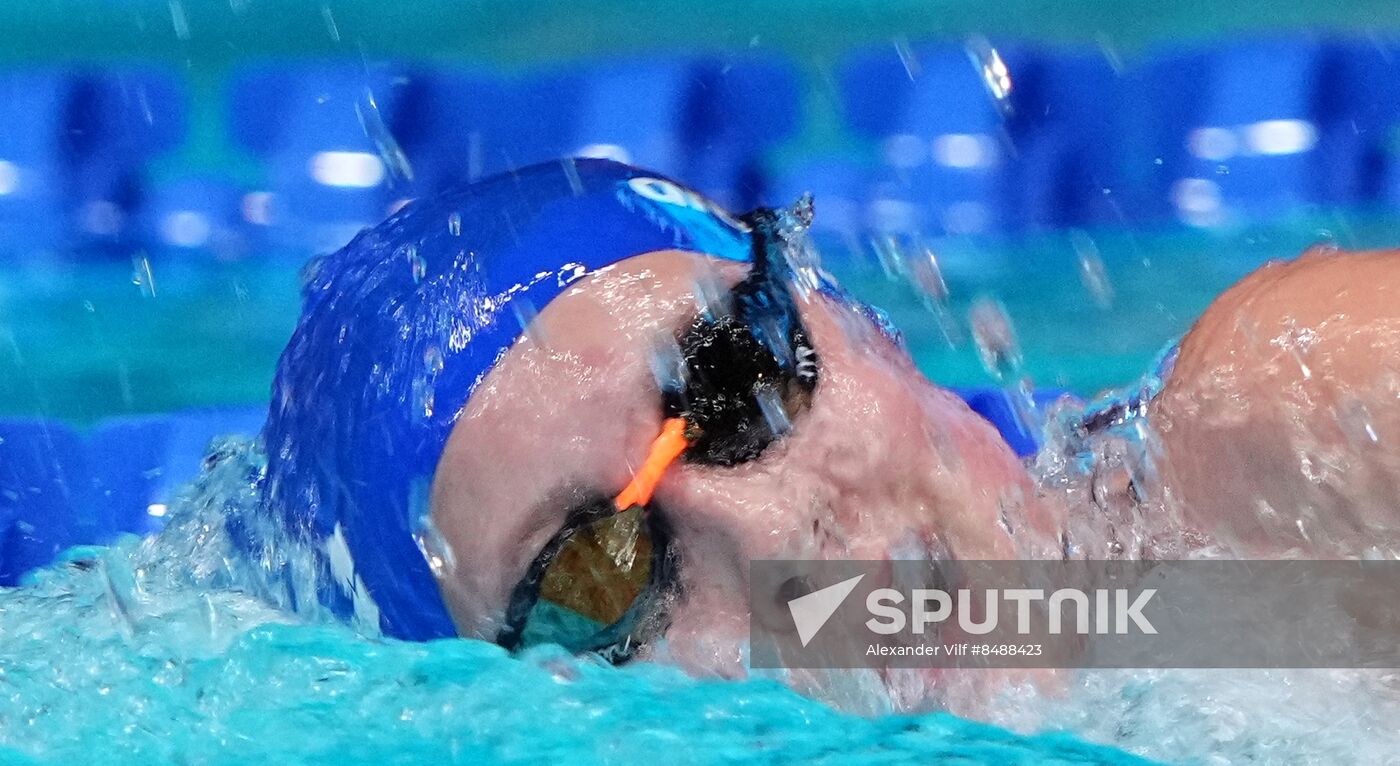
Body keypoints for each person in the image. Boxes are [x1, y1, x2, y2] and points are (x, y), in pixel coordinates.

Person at [258, 157, 1400, 697]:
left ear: (854, 318)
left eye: (732, 373)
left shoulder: (1286, 441)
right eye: (597, 576)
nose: (771, 540)